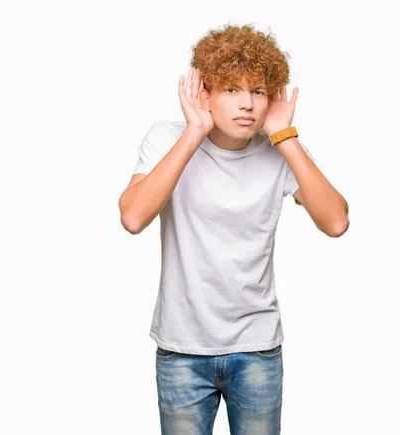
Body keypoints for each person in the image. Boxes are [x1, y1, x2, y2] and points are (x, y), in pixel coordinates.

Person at [118, 23, 349, 435]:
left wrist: (285, 136)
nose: (247, 104)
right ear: (204, 94)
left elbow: (336, 222)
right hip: (182, 349)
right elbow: (133, 217)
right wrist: (194, 133)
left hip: (257, 349)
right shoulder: (168, 138)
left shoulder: (280, 148)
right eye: (231, 90)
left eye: (258, 91)